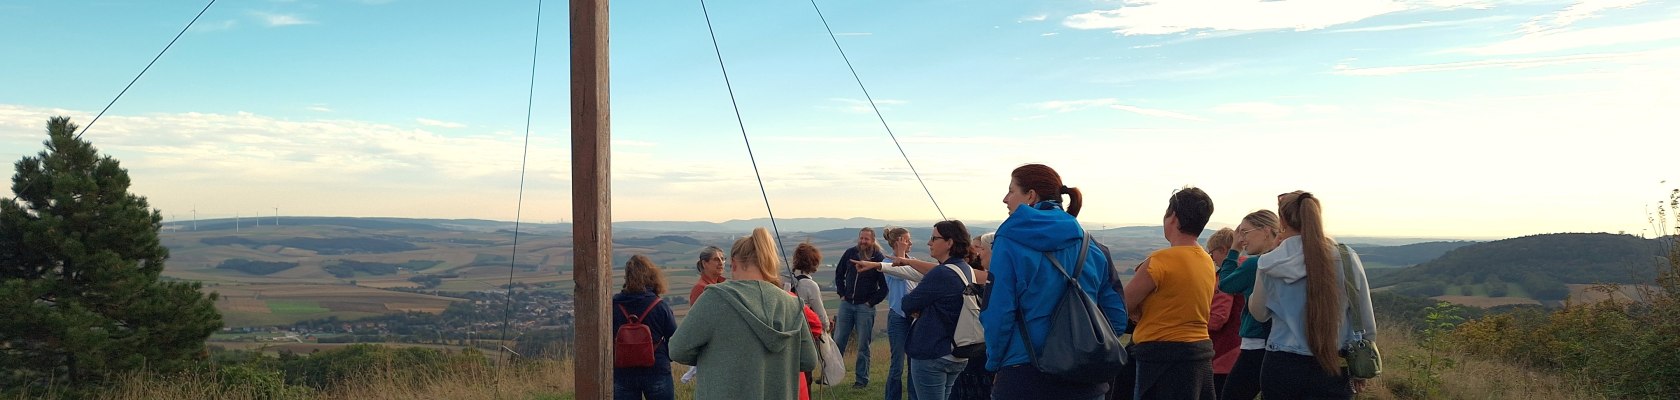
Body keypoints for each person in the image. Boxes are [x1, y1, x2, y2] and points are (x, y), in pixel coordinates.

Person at [982, 164, 1128, 400]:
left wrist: (996, 363)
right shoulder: (1093, 247)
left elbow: (998, 312)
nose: (1005, 198)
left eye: (1011, 191)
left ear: (1030, 196)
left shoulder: (1009, 240)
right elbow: (1118, 318)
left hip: (1024, 374)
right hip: (1086, 377)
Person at [1249, 191, 1376, 399]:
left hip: (1281, 364)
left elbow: (1259, 314)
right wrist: (1361, 362)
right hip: (1335, 363)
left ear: (1282, 220)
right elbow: (1364, 317)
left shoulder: (1269, 262)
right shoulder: (1345, 257)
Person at [670, 228, 818, 399]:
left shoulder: (714, 298)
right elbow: (808, 360)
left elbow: (677, 350)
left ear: (733, 262)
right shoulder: (792, 304)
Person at [1125, 187, 1217, 399]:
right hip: (1199, 355)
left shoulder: (1159, 261)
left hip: (1160, 358)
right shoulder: (1206, 261)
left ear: (1173, 217)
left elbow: (1124, 305)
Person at [902, 220, 976, 400]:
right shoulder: (966, 269)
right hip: (956, 351)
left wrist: (921, 307)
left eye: (934, 238)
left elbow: (907, 304)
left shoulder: (941, 273)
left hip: (932, 352)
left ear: (949, 242)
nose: (929, 243)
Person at [1217, 210, 1281, 400]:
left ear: (1265, 230)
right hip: (1279, 342)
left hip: (1256, 342)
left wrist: (1234, 250)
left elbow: (1226, 284)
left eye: (1245, 232)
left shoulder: (1256, 264)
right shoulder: (1284, 260)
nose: (1241, 239)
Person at [854, 227, 922, 400]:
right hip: (898, 317)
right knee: (897, 365)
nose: (911, 243)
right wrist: (899, 253)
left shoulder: (913, 261)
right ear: (899, 242)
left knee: (913, 364)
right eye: (907, 240)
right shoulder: (887, 262)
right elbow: (899, 274)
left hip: (914, 317)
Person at [612, 255, 678, 400]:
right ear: (651, 276)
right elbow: (674, 339)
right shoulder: (659, 306)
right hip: (656, 368)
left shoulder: (614, 305)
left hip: (624, 371)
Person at [833, 227, 887, 388]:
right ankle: (831, 376)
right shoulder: (850, 254)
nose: (863, 241)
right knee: (838, 342)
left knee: (863, 345)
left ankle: (861, 380)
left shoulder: (878, 258)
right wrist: (841, 293)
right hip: (847, 304)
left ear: (873, 240)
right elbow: (839, 273)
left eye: (866, 239)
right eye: (861, 238)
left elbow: (884, 287)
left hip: (865, 308)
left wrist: (871, 302)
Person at [948, 233, 995, 400]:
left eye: (980, 248)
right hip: (973, 344)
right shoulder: (973, 275)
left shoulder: (991, 277)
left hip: (983, 348)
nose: (977, 252)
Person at [1203, 229, 1244, 399]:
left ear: (1224, 250)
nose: (1212, 259)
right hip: (1240, 347)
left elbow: (1218, 318)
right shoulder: (1246, 267)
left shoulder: (1226, 275)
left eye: (1212, 253)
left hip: (1223, 354)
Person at [682, 246, 726, 384]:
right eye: (716, 259)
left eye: (723, 259)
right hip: (711, 352)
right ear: (704, 263)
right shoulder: (700, 289)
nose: (721, 262)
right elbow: (699, 324)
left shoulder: (723, 285)